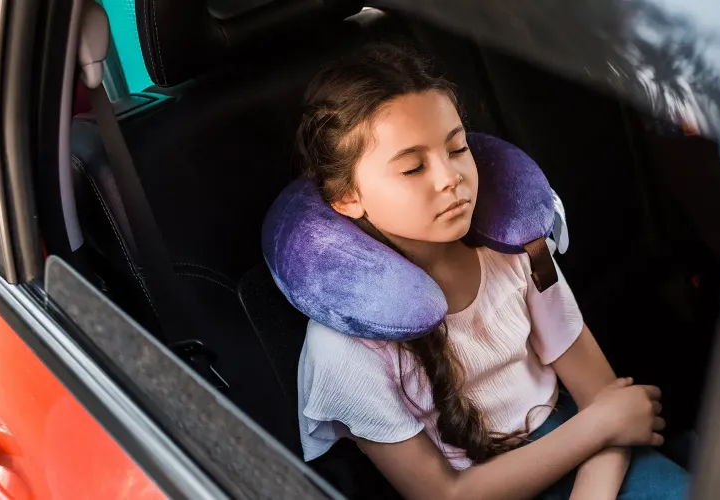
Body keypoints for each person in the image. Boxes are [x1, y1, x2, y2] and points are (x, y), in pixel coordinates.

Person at [293, 43, 689, 500]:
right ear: (346, 197)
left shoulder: (516, 249)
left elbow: (607, 398)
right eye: (413, 167)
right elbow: (447, 495)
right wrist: (601, 426)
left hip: (588, 454)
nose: (450, 177)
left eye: (458, 148)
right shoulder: (345, 351)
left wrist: (598, 457)